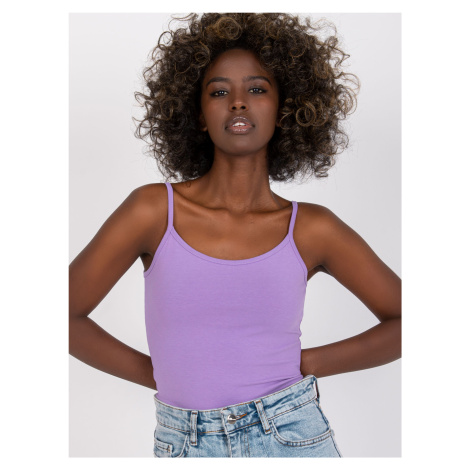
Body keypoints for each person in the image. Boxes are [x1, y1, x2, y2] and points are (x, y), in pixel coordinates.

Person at [69, 13, 401, 458]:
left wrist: (307, 363)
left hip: (290, 435)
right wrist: (161, 373)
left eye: (257, 90)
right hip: (185, 441)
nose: (239, 103)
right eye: (220, 91)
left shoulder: (312, 228)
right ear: (198, 115)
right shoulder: (152, 211)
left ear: (285, 111)